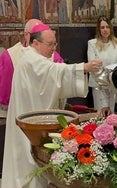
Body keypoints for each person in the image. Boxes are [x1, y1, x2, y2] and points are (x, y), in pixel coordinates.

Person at [1, 23, 102, 188]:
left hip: (29, 116)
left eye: (55, 43)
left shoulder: (33, 57)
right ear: (35, 43)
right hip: (27, 123)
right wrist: (84, 67)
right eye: (50, 44)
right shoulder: (30, 59)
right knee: (28, 161)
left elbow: (51, 74)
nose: (54, 48)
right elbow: (52, 71)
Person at [0, 18, 64, 118]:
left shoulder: (54, 56)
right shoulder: (9, 56)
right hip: (20, 113)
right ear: (26, 35)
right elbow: (5, 91)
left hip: (47, 114)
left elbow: (61, 81)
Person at [87, 15, 117, 111]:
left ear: (110, 28)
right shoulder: (92, 43)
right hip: (98, 84)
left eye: (107, 27)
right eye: (102, 27)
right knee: (100, 114)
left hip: (113, 83)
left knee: (112, 113)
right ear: (98, 29)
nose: (105, 30)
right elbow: (93, 65)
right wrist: (104, 80)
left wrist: (111, 79)